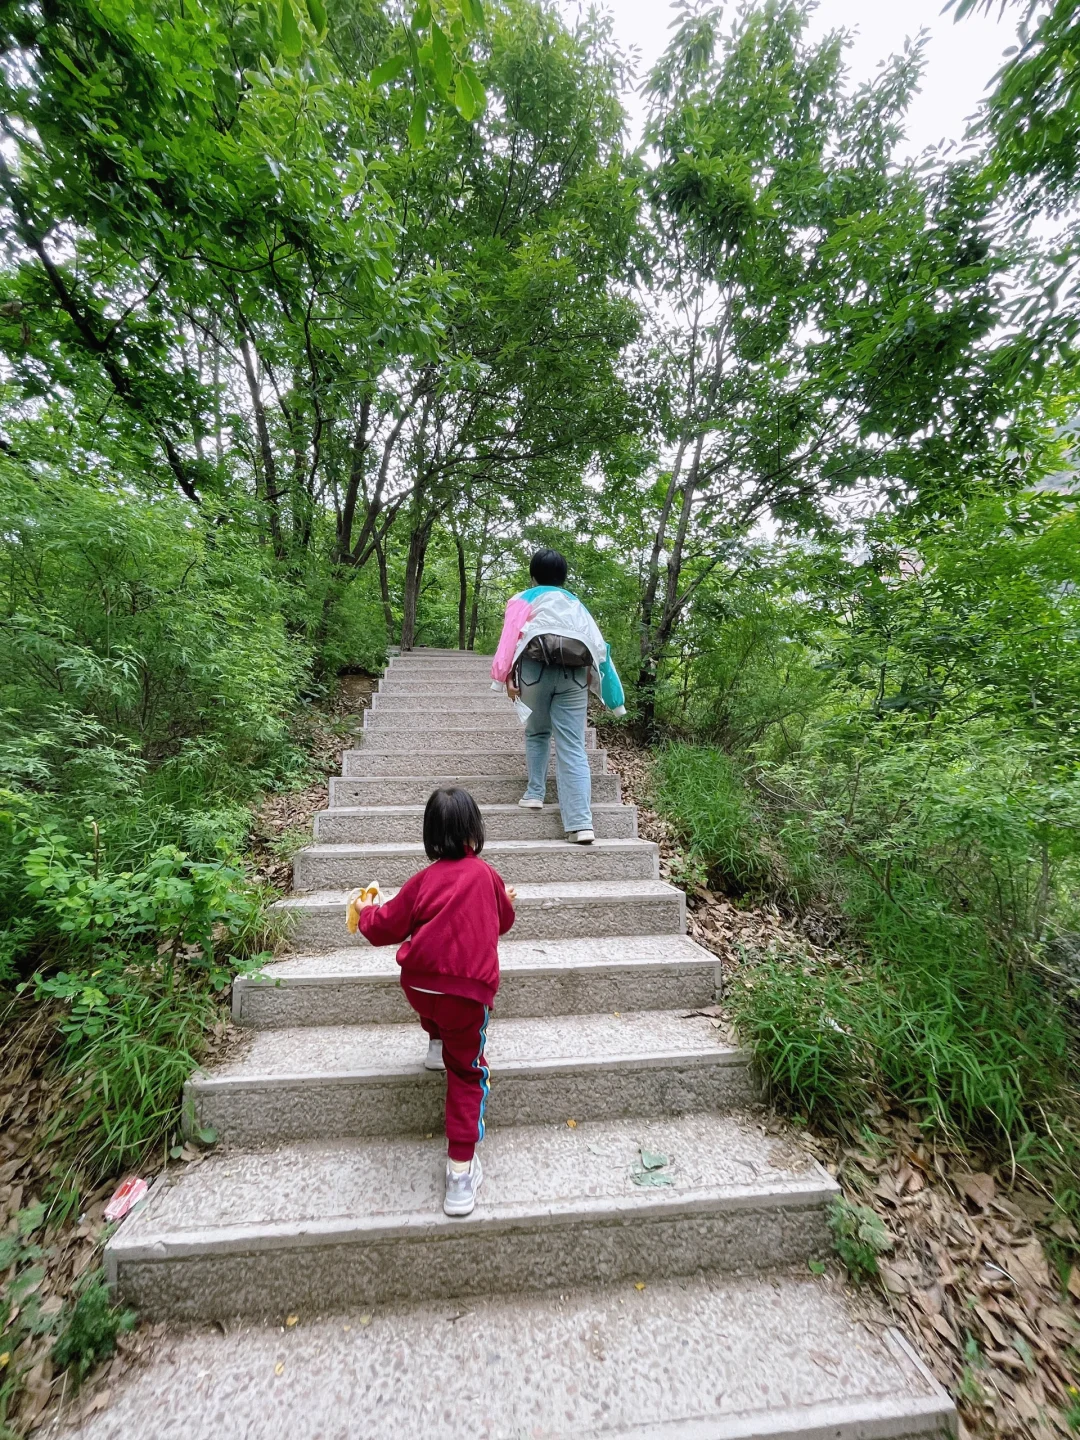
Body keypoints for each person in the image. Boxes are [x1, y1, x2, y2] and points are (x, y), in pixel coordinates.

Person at [355, 788, 516, 1217]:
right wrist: (503, 902)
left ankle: (433, 1045)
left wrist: (365, 910)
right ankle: (460, 1176)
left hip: (420, 987)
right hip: (466, 994)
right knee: (466, 1072)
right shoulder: (487, 875)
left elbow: (382, 927)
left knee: (434, 1007)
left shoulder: (423, 881)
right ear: (475, 830)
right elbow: (505, 921)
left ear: (430, 835)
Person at [490, 548, 626, 844]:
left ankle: (535, 794)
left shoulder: (523, 598)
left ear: (533, 574)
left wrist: (503, 678)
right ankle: (581, 824)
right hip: (575, 675)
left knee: (537, 732)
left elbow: (509, 638)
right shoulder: (575, 603)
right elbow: (600, 648)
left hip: (534, 671)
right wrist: (614, 699)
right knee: (573, 746)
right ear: (563, 577)